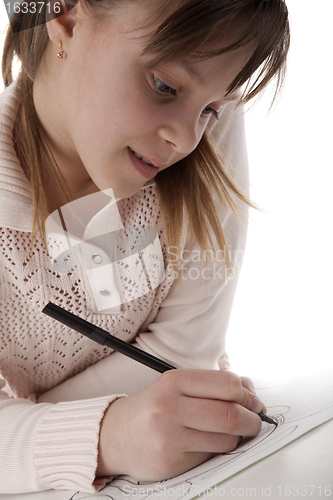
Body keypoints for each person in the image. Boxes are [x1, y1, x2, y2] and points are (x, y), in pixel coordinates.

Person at [0, 0, 290, 494]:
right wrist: (107, 434)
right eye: (164, 86)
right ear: (65, 16)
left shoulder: (209, 127)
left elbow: (188, 348)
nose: (186, 138)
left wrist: (25, 424)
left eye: (209, 108)